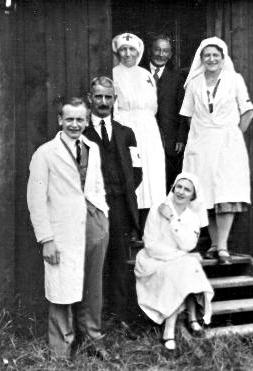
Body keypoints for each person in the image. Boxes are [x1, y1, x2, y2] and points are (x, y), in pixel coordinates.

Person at [27, 97, 109, 360]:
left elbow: (95, 186)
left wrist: (102, 214)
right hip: (61, 230)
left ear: (87, 121)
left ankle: (93, 341)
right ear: (60, 120)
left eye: (80, 119)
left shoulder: (92, 148)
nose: (75, 124)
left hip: (93, 223)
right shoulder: (45, 153)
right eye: (70, 119)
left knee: (92, 286)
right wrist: (46, 239)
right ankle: (61, 350)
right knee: (62, 286)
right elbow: (36, 200)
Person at [180, 36, 253, 265]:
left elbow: (248, 112)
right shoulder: (194, 83)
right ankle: (212, 245)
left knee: (225, 193)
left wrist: (233, 136)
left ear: (223, 59)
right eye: (207, 55)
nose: (211, 59)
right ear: (201, 59)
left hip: (228, 144)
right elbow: (188, 115)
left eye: (216, 55)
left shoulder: (234, 79)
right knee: (205, 195)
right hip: (201, 143)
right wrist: (199, 137)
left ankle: (223, 247)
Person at [83, 76, 142, 326]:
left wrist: (120, 193)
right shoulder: (81, 131)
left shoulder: (126, 133)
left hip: (119, 206)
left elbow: (137, 171)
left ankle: (119, 318)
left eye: (108, 97)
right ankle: (92, 318)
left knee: (119, 261)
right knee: (95, 262)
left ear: (115, 100)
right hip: (92, 207)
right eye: (99, 96)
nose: (103, 102)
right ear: (90, 99)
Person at [135, 172, 214, 351]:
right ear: (173, 188)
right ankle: (190, 318)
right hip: (152, 260)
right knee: (186, 265)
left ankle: (170, 330)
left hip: (178, 262)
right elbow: (150, 244)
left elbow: (188, 244)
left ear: (193, 195)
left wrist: (172, 219)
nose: (181, 192)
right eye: (179, 187)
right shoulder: (158, 208)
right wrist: (178, 257)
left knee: (182, 268)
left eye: (187, 190)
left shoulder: (192, 217)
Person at [112, 32, 166, 231]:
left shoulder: (146, 75)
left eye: (132, 49)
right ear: (118, 52)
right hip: (127, 126)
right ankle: (132, 226)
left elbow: (153, 106)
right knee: (133, 172)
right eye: (123, 50)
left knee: (152, 174)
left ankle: (150, 226)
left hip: (148, 128)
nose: (128, 54)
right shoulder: (113, 73)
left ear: (139, 52)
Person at [142, 34, 189, 190]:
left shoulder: (177, 78)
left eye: (165, 51)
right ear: (149, 51)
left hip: (169, 140)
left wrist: (181, 138)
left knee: (167, 180)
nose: (161, 54)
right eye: (157, 50)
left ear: (169, 55)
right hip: (144, 136)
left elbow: (183, 110)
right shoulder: (140, 74)